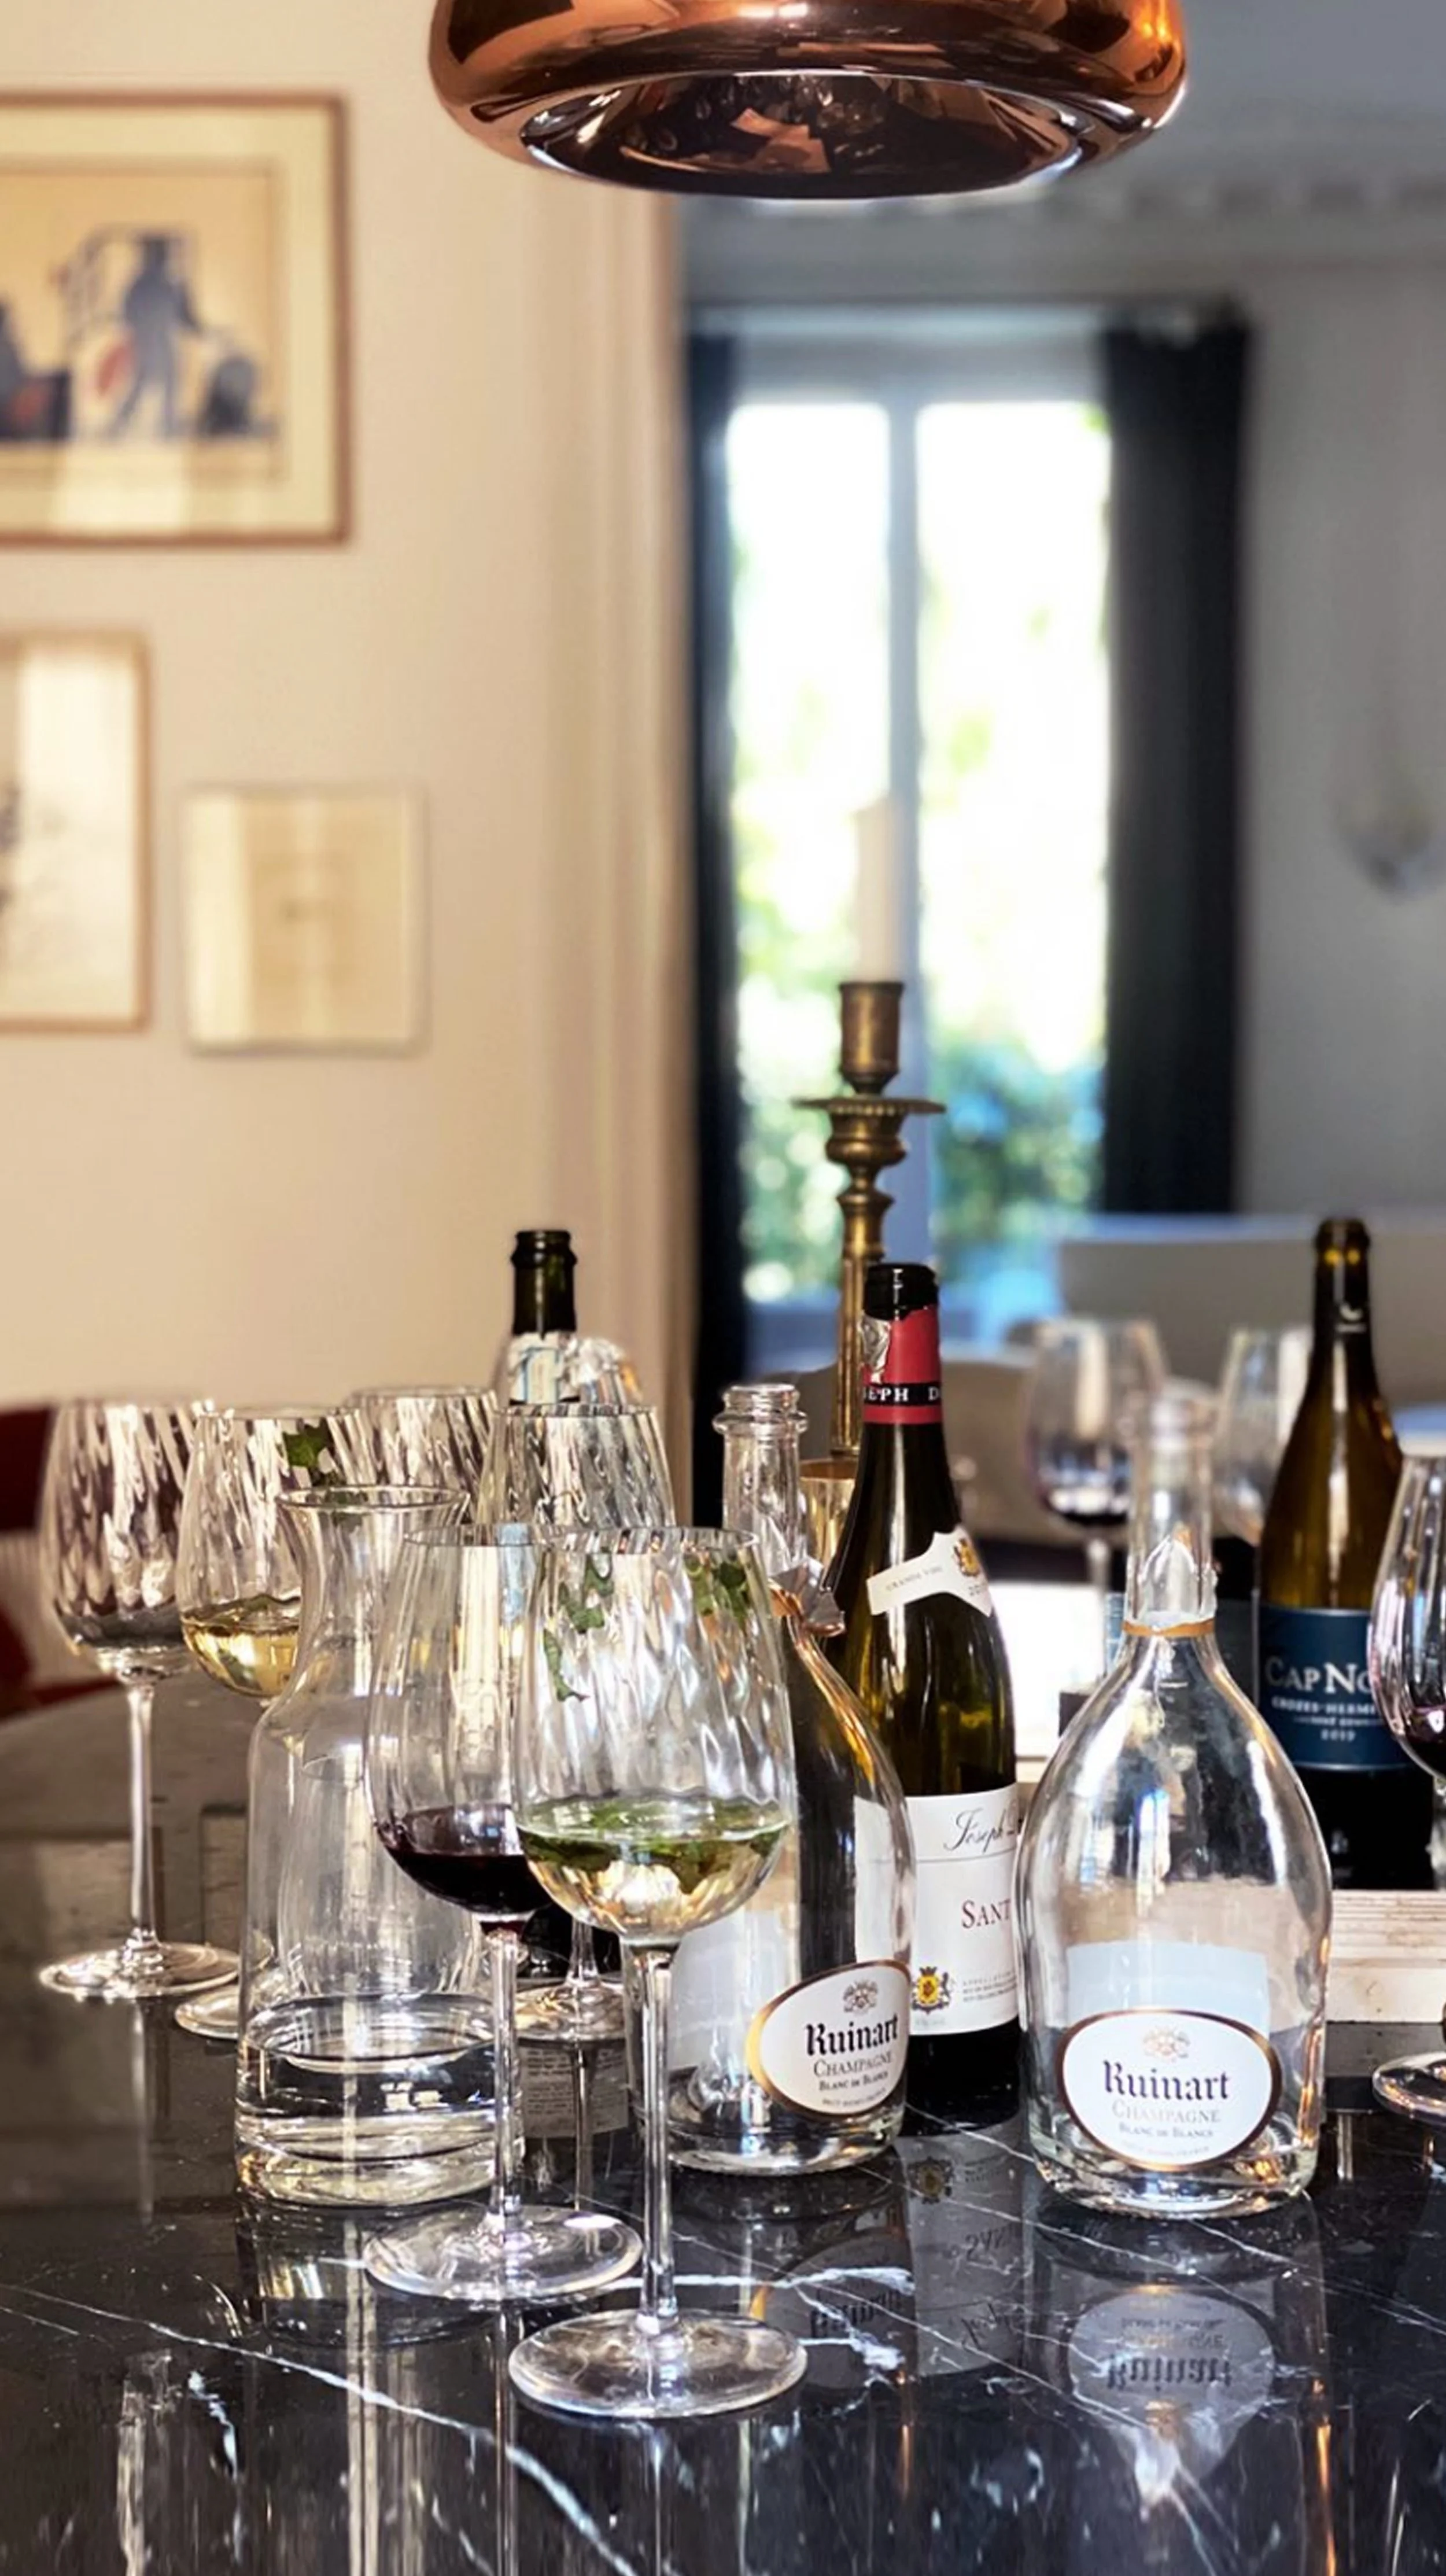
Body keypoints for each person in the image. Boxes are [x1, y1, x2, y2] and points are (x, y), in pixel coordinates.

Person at [109, 236, 203, 439]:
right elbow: (188, 320)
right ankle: (163, 428)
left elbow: (127, 317)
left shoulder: (140, 286)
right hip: (157, 345)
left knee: (147, 385)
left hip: (147, 344)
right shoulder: (167, 286)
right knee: (158, 385)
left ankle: (126, 427)